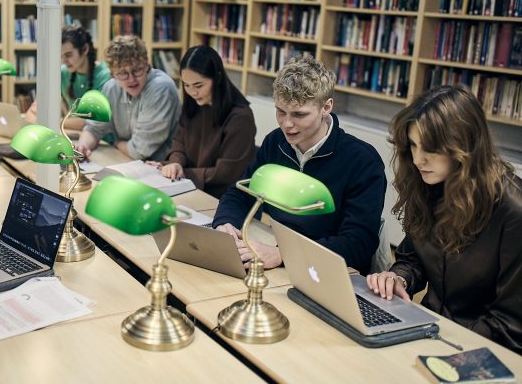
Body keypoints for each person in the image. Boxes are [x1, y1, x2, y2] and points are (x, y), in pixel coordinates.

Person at [367, 85, 522, 354]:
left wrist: (441, 343)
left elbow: (511, 324)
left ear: (464, 146)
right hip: (430, 329)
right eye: (413, 145)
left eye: (430, 149)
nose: (417, 159)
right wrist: (398, 279)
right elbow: (412, 259)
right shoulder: (430, 183)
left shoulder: (513, 212)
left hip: (480, 350)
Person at [213, 53, 386, 274]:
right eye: (280, 111)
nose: (287, 124)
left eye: (299, 114)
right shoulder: (275, 142)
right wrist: (225, 223)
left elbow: (358, 244)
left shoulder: (362, 161)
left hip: (328, 272)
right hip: (279, 256)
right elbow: (240, 193)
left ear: (326, 107)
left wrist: (283, 254)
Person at [147, 45, 256, 198]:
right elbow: (179, 143)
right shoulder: (194, 104)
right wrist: (175, 163)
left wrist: (183, 172)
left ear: (217, 77)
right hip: (190, 187)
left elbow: (226, 173)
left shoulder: (240, 117)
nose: (192, 92)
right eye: (186, 85)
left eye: (199, 85)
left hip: (224, 198)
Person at [74, 35, 181, 161]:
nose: (131, 79)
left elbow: (140, 151)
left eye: (137, 70)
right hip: (129, 161)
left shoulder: (161, 88)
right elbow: (94, 128)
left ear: (146, 65)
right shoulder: (111, 87)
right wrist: (82, 146)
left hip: (162, 168)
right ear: (112, 74)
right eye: (122, 73)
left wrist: (117, 143)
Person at [25, 26, 111, 129]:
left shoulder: (105, 76)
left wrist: (49, 122)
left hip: (101, 141)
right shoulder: (61, 72)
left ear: (84, 49)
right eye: (61, 56)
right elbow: (33, 111)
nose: (64, 61)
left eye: (68, 55)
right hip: (72, 134)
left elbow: (92, 122)